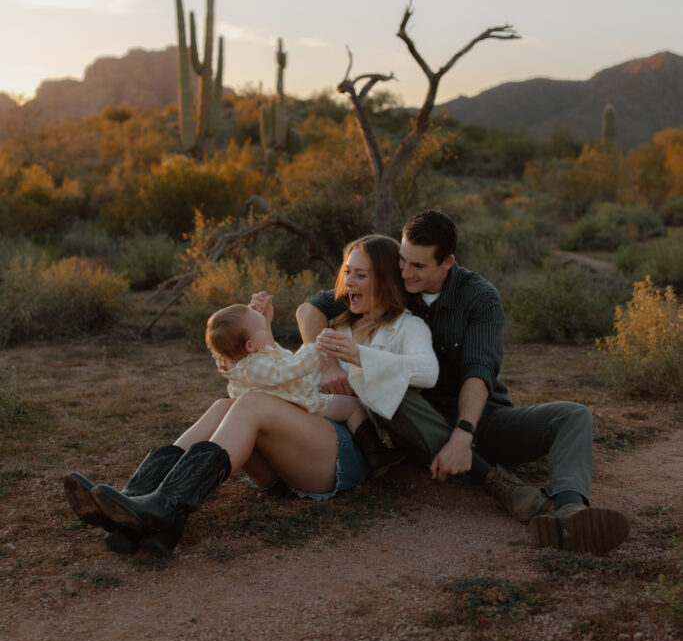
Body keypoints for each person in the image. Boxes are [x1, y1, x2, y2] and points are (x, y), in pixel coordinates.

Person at [63, 234, 437, 556]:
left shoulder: (408, 327)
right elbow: (285, 377)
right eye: (346, 272)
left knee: (251, 403)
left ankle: (165, 509)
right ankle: (136, 502)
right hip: (296, 445)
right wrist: (267, 333)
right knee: (223, 405)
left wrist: (359, 355)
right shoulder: (340, 321)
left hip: (345, 452)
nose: (347, 281)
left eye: (360, 274)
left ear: (384, 280)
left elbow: (428, 371)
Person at [297, 210, 630, 556]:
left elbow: (479, 371)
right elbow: (310, 309)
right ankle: (508, 490)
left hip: (482, 419)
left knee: (573, 415)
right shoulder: (393, 279)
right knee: (392, 383)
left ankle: (571, 511)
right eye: (403, 261)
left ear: (447, 262)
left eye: (419, 267)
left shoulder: (480, 298)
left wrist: (463, 433)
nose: (406, 273)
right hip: (413, 421)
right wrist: (325, 364)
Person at [205, 296, 404, 475]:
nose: (264, 328)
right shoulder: (258, 367)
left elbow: (269, 354)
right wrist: (318, 346)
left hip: (282, 411)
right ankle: (375, 453)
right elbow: (289, 367)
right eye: (261, 328)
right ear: (250, 345)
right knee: (352, 407)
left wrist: (261, 323)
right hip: (305, 402)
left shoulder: (235, 364)